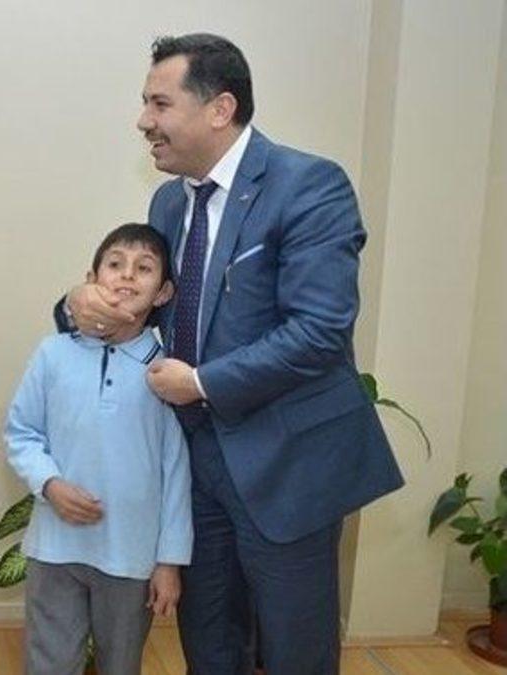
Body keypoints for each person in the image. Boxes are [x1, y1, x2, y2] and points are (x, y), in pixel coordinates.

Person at [60, 34, 403, 674]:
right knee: (210, 641)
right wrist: (74, 305)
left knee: (295, 651)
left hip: (286, 465)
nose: (143, 121)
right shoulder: (168, 201)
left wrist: (202, 383)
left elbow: (320, 329)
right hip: (196, 467)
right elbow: (140, 300)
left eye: (159, 104)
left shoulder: (309, 185)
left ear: (219, 108)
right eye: (145, 103)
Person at [9, 224, 192, 675]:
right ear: (91, 280)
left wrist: (169, 561)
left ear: (163, 292)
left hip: (131, 557)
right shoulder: (52, 354)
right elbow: (21, 432)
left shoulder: (169, 373)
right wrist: (49, 484)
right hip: (55, 547)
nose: (127, 275)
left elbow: (176, 472)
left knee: (120, 665)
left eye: (143, 268)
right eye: (115, 264)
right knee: (48, 663)